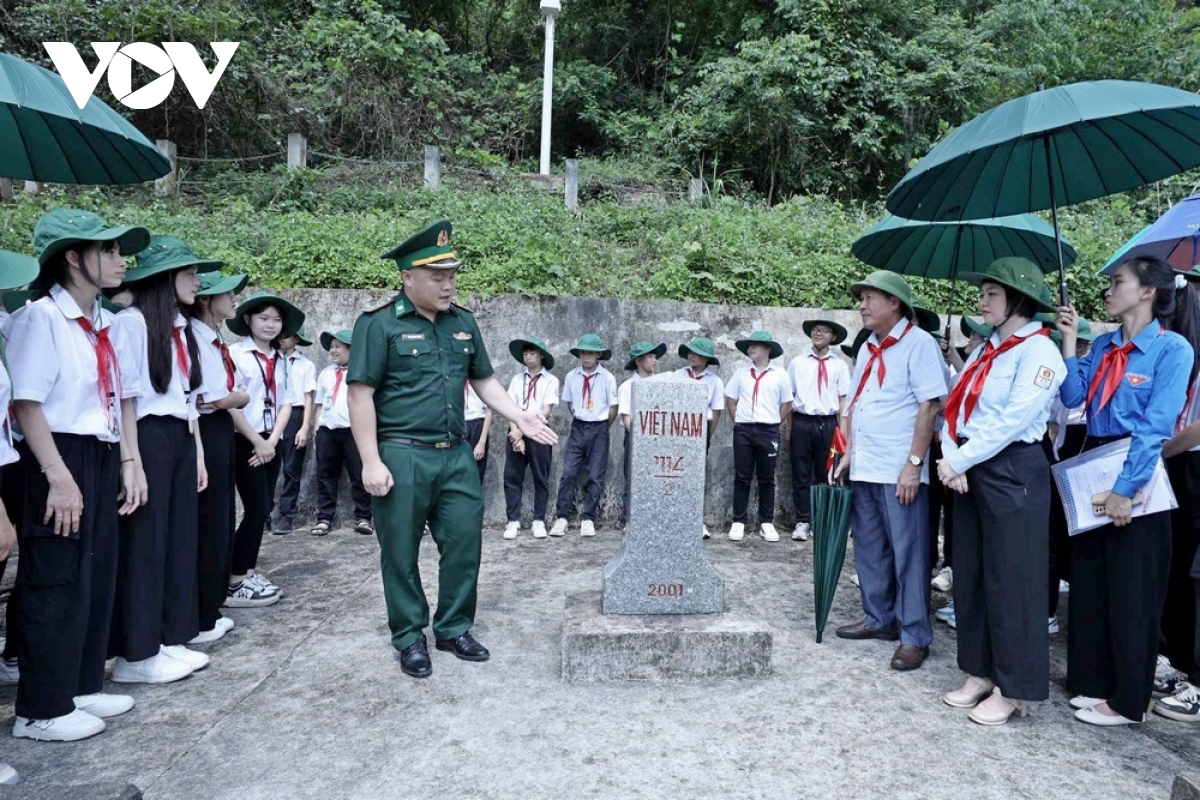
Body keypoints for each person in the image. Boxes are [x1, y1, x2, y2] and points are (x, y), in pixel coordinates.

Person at [347, 219, 557, 679]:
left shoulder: (462, 322)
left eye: (452, 275)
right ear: (407, 277)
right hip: (401, 455)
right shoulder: (378, 324)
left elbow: (482, 379)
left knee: (464, 544)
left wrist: (518, 414)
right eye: (436, 276)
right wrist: (371, 460)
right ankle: (408, 636)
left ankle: (453, 628)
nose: (448, 285)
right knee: (399, 552)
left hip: (456, 453)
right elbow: (360, 394)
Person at [9, 209, 149, 741]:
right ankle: (40, 709)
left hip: (103, 449)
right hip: (57, 453)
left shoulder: (108, 322)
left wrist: (130, 461)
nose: (120, 260)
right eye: (108, 250)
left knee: (96, 571)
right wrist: (57, 476)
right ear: (73, 257)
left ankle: (82, 684)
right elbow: (27, 404)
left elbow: (124, 400)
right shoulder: (39, 318)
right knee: (54, 578)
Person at [1056, 255, 1193, 726]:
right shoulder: (1103, 344)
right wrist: (1071, 343)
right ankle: (1092, 683)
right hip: (1094, 459)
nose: (1109, 291)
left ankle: (1127, 700)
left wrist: (1125, 488)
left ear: (1148, 291)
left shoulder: (1172, 349)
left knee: (1133, 589)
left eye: (1118, 282)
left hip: (1135, 468)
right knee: (1092, 579)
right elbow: (1074, 398)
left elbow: (1157, 426)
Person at [935, 258, 1065, 726]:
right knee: (969, 572)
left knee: (1014, 580)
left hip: (1012, 470)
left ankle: (1015, 686)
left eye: (992, 294)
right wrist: (952, 452)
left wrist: (960, 460)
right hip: (968, 466)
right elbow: (956, 402)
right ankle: (979, 670)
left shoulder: (1040, 354)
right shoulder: (987, 348)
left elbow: (1012, 421)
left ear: (1018, 300)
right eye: (984, 292)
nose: (983, 301)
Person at [108, 235, 220, 684]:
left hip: (178, 436)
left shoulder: (179, 327)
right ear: (165, 278)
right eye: (190, 273)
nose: (198, 281)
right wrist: (130, 460)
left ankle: (170, 637)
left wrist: (196, 454)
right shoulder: (132, 324)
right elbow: (126, 400)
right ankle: (137, 652)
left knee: (178, 538)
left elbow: (188, 398)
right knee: (146, 544)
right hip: (148, 437)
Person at [833, 270, 947, 672]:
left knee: (909, 551)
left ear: (894, 302)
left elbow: (930, 406)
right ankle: (879, 618)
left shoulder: (919, 345)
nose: (861, 305)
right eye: (860, 298)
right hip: (867, 463)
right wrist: (850, 453)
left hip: (900, 467)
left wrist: (914, 465)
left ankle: (914, 634)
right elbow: (860, 403)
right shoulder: (867, 348)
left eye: (869, 298)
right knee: (868, 547)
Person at [226, 292, 304, 606]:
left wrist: (272, 441)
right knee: (255, 508)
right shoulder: (235, 354)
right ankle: (233, 579)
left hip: (272, 440)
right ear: (247, 320)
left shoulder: (280, 358)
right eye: (264, 318)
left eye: (276, 319)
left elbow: (287, 401)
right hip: (244, 439)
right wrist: (257, 441)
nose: (271, 325)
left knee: (263, 509)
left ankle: (247, 570)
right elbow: (228, 403)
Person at [187, 270, 251, 642]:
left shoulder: (213, 339)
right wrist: (239, 398)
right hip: (208, 429)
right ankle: (202, 613)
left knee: (223, 518)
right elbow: (217, 398)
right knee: (211, 520)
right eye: (227, 293)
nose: (234, 299)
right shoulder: (195, 337)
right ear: (207, 300)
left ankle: (211, 607)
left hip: (218, 429)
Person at [1153, 267, 1200, 722]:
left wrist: (1158, 448)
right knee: (1179, 569)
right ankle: (1177, 661)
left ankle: (1192, 675)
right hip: (1182, 465)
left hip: (1188, 464)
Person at [1045, 317, 1095, 636]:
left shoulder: (1094, 372)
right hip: (1062, 460)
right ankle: (1048, 610)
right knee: (1055, 537)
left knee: (1082, 542)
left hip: (1089, 462)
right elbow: (1054, 424)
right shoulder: (1062, 377)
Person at [725, 331, 792, 542]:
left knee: (767, 478)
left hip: (768, 430)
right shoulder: (741, 373)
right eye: (750, 345)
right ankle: (738, 521)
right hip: (744, 429)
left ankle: (766, 522)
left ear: (768, 349)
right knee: (742, 476)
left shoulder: (780, 374)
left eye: (756, 345)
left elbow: (787, 404)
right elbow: (731, 399)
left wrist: (773, 422)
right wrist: (739, 421)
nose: (751, 348)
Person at [550, 334, 618, 538]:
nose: (585, 357)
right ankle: (562, 517)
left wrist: (603, 426)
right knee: (569, 472)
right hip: (578, 427)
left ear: (598, 355)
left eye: (590, 353)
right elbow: (570, 404)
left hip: (599, 428)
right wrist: (581, 417)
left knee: (595, 475)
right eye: (582, 352)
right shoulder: (572, 376)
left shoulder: (607, 378)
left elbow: (613, 407)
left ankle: (588, 518)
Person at [787, 317, 849, 542]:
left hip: (828, 423)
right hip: (803, 422)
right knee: (800, 472)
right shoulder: (797, 363)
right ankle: (802, 520)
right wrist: (789, 428)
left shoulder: (839, 365)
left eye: (824, 331)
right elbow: (790, 397)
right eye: (815, 330)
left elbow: (843, 401)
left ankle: (823, 521)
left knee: (828, 474)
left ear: (833, 337)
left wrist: (842, 432)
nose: (818, 334)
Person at [310, 330, 373, 536]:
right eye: (332, 346)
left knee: (359, 474)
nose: (332, 350)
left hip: (354, 431)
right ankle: (324, 518)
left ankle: (364, 517)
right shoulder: (326, 373)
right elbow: (319, 404)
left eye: (338, 346)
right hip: (328, 430)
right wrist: (316, 430)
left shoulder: (362, 373)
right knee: (325, 475)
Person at [503, 337, 559, 540]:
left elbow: (546, 410)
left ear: (541, 355)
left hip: (539, 431)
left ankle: (539, 520)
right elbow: (510, 407)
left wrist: (525, 431)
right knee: (512, 476)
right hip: (516, 430)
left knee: (541, 476)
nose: (528, 358)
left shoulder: (551, 380)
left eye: (532, 353)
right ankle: (513, 520)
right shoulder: (518, 380)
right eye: (525, 354)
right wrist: (515, 434)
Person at [676, 336, 725, 538]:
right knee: (675, 475)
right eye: (690, 352)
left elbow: (716, 412)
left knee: (696, 477)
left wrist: (706, 435)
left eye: (697, 353)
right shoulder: (677, 375)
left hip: (700, 428)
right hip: (678, 430)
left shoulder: (714, 381)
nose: (692, 356)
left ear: (706, 358)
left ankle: (697, 521)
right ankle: (675, 519)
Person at [272, 327, 316, 534]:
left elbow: (308, 397)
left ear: (296, 338)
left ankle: (286, 514)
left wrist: (304, 427)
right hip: (270, 411)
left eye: (286, 334)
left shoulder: (306, 365)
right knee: (265, 465)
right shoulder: (270, 359)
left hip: (295, 414)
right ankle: (262, 513)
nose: (281, 338)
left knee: (291, 468)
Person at [618, 340, 665, 527]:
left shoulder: (661, 384)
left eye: (655, 357)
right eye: (651, 357)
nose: (654, 361)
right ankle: (630, 521)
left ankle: (653, 519)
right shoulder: (627, 386)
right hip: (636, 437)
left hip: (658, 438)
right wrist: (640, 438)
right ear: (639, 361)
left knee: (656, 479)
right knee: (633, 478)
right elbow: (626, 416)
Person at [464, 379, 493, 488]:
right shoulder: (455, 379)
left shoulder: (482, 382)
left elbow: (489, 412)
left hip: (477, 425)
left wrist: (481, 442)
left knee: (476, 472)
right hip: (458, 425)